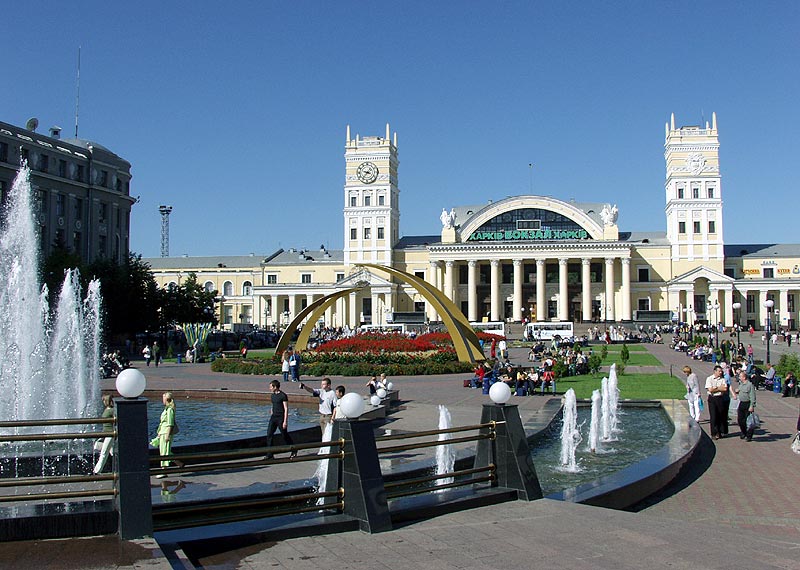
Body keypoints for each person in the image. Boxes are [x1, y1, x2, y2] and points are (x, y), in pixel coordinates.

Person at [151, 392, 182, 477]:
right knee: (164, 451)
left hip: (166, 433)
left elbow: (170, 424)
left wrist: (167, 435)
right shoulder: (166, 409)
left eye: (163, 398)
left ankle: (164, 471)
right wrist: (159, 433)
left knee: (164, 452)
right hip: (162, 432)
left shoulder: (170, 410)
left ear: (167, 399)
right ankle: (179, 463)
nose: (162, 400)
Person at [266, 380, 296, 459]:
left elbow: (286, 408)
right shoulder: (272, 396)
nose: (270, 388)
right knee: (269, 434)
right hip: (273, 417)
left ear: (275, 387)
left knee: (284, 435)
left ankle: (293, 449)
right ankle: (270, 454)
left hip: (281, 418)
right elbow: (273, 404)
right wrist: (272, 411)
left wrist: (285, 421)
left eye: (271, 387)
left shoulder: (283, 395)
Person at [705, 365, 728, 440]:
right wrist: (719, 388)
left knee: (720, 415)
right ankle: (713, 433)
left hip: (720, 398)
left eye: (721, 371)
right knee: (713, 416)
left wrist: (715, 388)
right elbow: (710, 390)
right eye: (719, 371)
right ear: (715, 371)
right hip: (712, 399)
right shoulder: (709, 379)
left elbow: (724, 389)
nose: (720, 372)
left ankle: (719, 431)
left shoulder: (722, 379)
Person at [93, 394, 115, 474]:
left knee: (104, 452)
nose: (102, 402)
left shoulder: (112, 410)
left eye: (103, 400)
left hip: (110, 434)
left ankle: (97, 471)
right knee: (111, 452)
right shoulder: (107, 409)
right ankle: (118, 468)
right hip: (106, 434)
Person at [733, 370, 757, 441]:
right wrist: (737, 391)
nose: (739, 378)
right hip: (741, 403)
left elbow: (752, 396)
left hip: (748, 403)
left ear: (744, 377)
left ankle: (749, 436)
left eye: (740, 376)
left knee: (749, 421)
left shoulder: (750, 385)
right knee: (740, 420)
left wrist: (752, 405)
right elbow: (740, 391)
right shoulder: (741, 384)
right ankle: (744, 432)